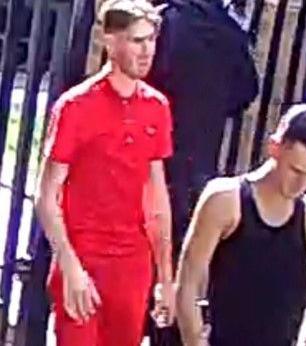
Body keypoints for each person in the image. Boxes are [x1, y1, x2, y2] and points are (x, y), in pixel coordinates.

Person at [35, 1, 175, 345]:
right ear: (109, 41)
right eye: (136, 41)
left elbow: (156, 198)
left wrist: (166, 279)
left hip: (132, 266)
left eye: (151, 40)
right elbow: (46, 195)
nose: (147, 51)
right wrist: (69, 265)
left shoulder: (156, 108)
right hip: (84, 260)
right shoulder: (75, 107)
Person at [176, 104, 306, 346]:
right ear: (275, 148)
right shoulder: (225, 200)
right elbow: (187, 286)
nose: (301, 184)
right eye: (295, 170)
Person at [147, 0, 259, 251]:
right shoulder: (229, 33)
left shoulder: (164, 22)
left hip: (151, 152)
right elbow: (247, 90)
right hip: (198, 161)